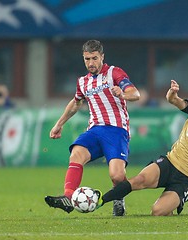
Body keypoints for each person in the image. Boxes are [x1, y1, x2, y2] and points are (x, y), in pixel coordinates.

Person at [95, 80, 188, 216]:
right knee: (139, 180)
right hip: (170, 162)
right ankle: (100, 201)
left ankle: (173, 203)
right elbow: (175, 101)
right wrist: (172, 94)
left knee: (158, 211)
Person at [44, 40, 140, 216]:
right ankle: (68, 197)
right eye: (87, 59)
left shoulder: (114, 73)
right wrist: (59, 124)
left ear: (102, 57)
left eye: (94, 58)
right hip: (95, 130)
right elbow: (76, 103)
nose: (90, 63)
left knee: (117, 176)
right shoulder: (83, 82)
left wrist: (123, 94)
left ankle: (118, 199)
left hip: (116, 130)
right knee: (76, 154)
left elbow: (135, 94)